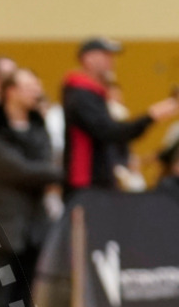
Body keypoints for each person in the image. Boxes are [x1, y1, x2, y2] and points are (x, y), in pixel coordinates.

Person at [0, 69, 61, 307]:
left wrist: (45, 173)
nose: (36, 91)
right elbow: (17, 170)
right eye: (29, 86)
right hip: (3, 224)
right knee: (2, 291)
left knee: (28, 291)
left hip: (35, 223)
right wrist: (50, 173)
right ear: (10, 91)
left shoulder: (39, 127)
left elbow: (41, 166)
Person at [61, 37, 178, 198]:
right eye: (106, 55)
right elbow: (109, 132)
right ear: (88, 58)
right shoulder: (80, 94)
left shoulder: (93, 94)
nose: (111, 61)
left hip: (99, 180)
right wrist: (150, 117)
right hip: (87, 182)